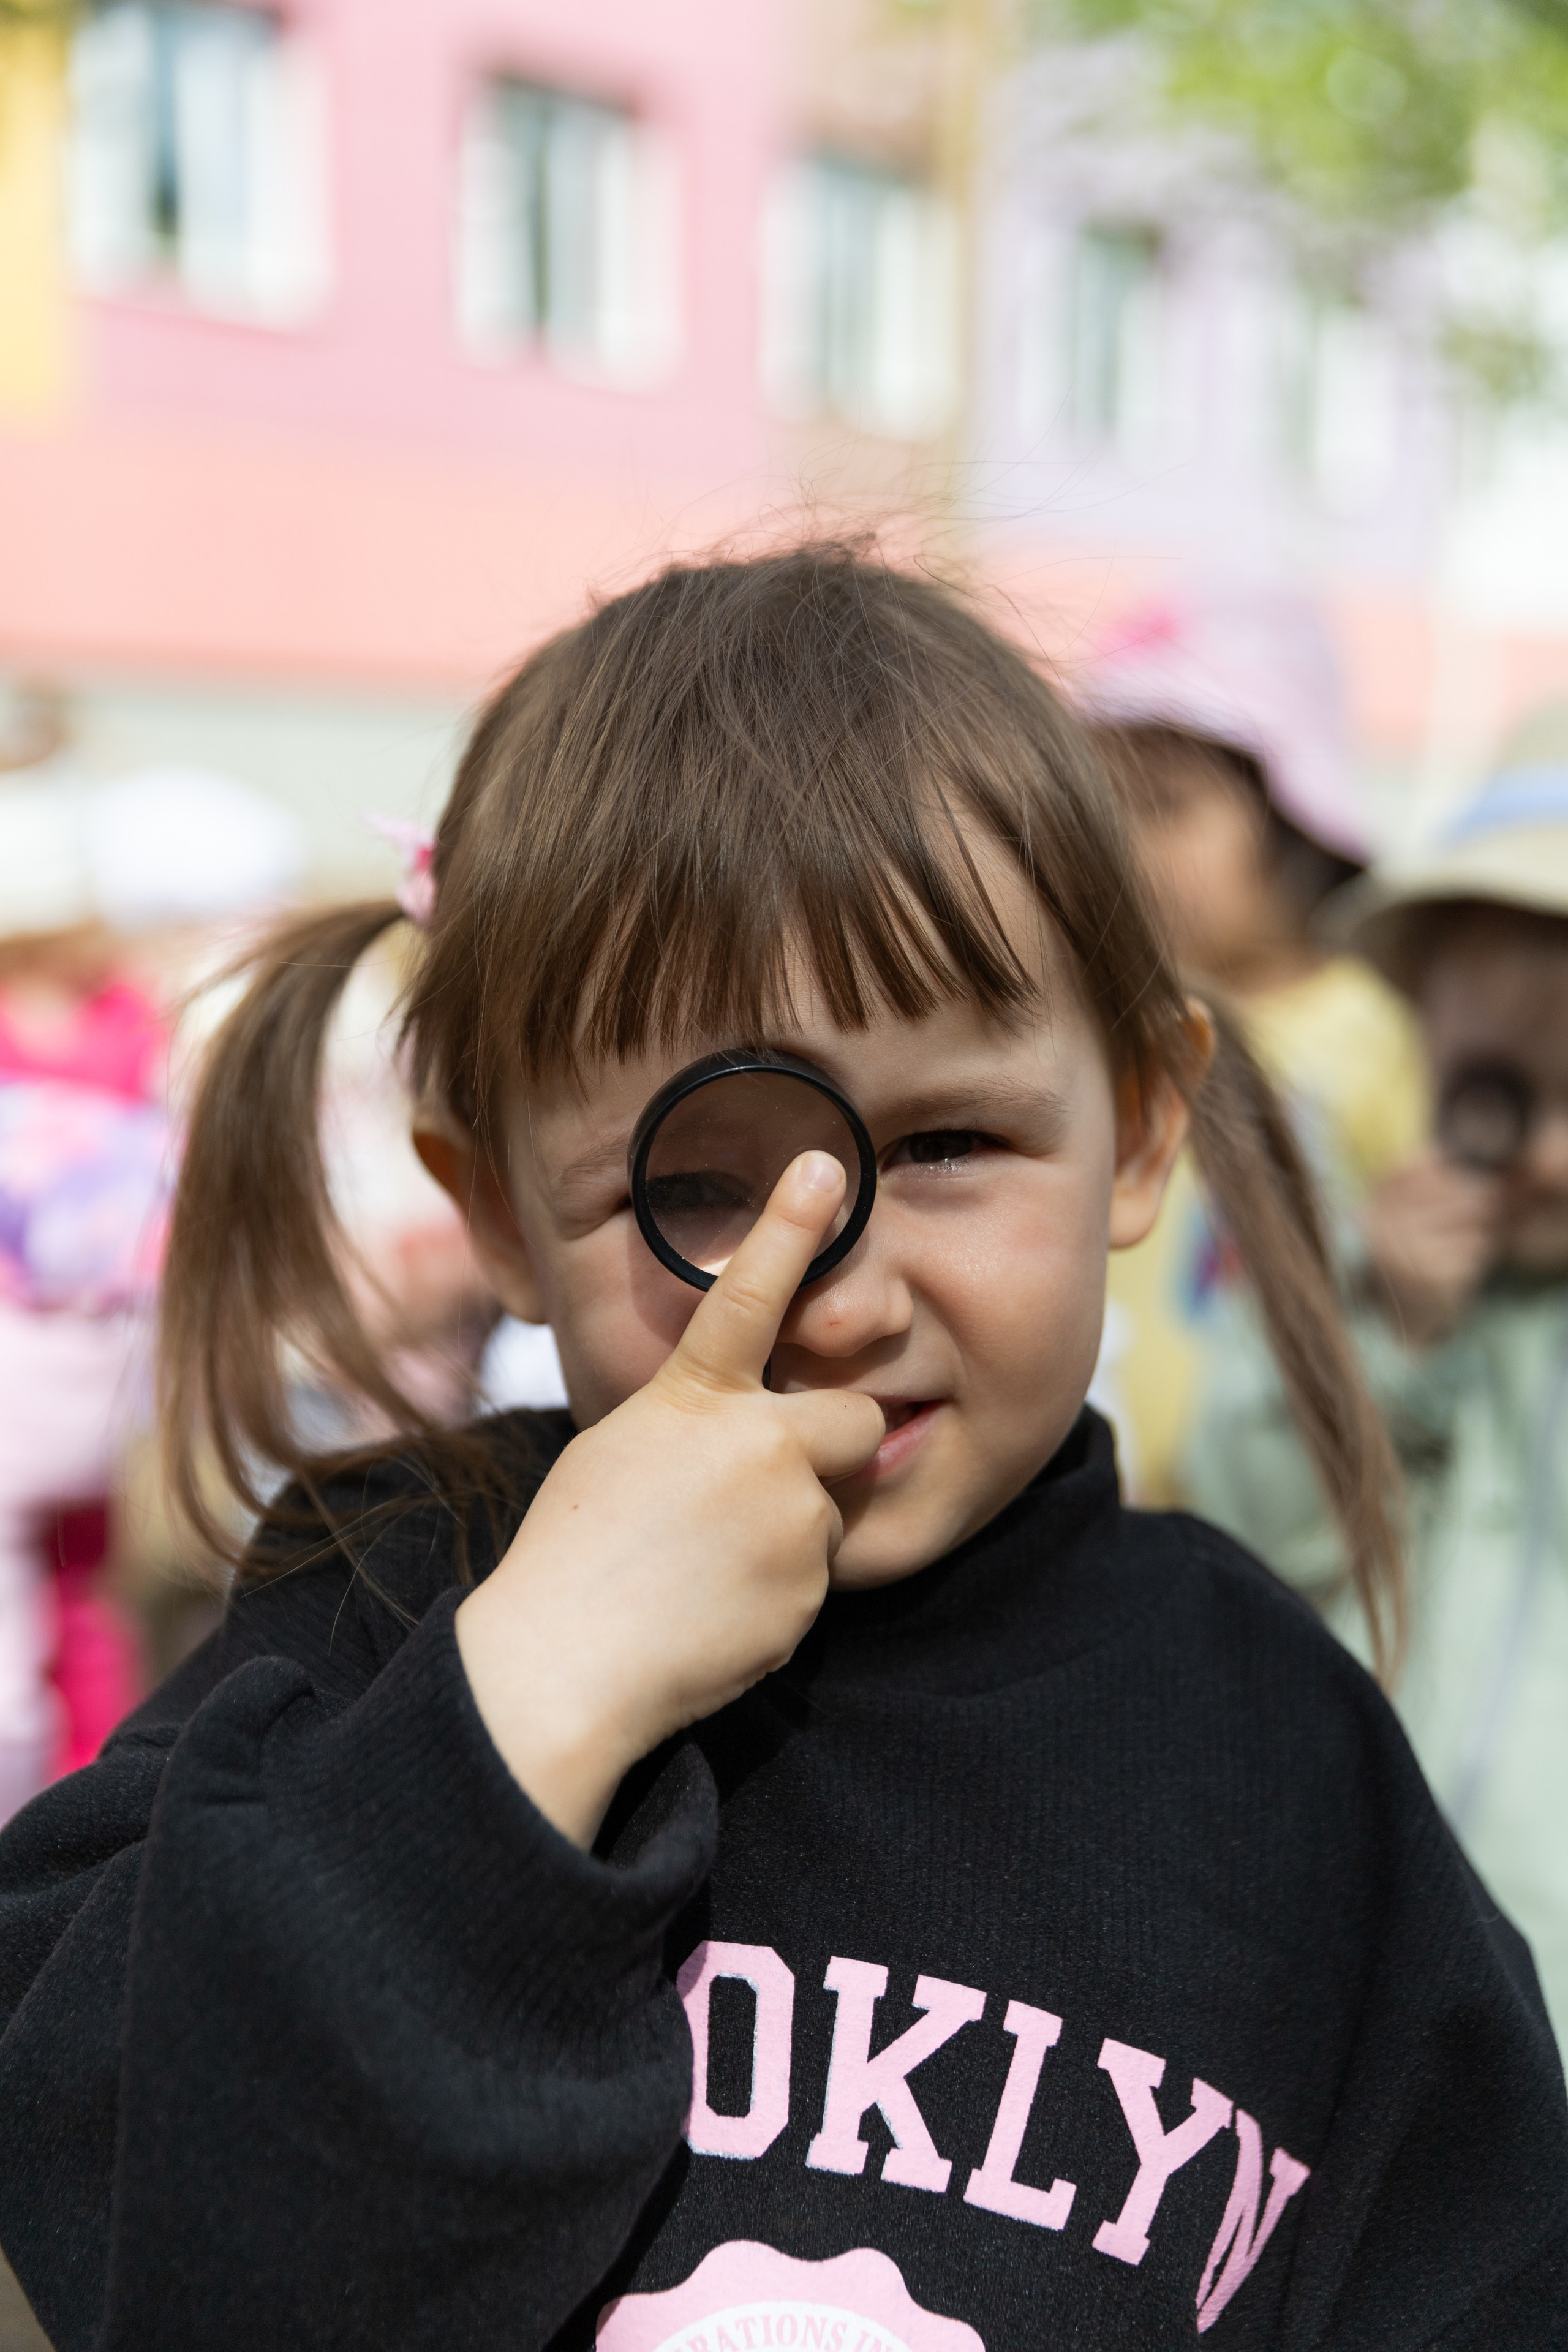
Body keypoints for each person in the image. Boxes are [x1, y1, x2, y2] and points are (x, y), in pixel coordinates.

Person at [0, 548, 1562, 2352]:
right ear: (498, 1208)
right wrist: (530, 1697)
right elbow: (130, 2236)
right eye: (691, 1183)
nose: (823, 1294)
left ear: (1137, 1128)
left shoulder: (1284, 1761)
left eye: (955, 1141)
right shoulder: (377, 1614)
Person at [1186, 705, 1568, 2062]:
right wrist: (1382, 1328)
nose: (1529, 1156)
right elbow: (1249, 1516)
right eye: (1490, 1095)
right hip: (1350, 1956)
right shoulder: (1352, 1275)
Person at [1084, 589, 1427, 1501]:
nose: (1126, 847)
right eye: (1101, 808)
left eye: (1164, 808)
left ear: (1291, 822)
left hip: (1283, 1503)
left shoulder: (1373, 1032)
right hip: (1102, 1493)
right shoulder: (1102, 1021)